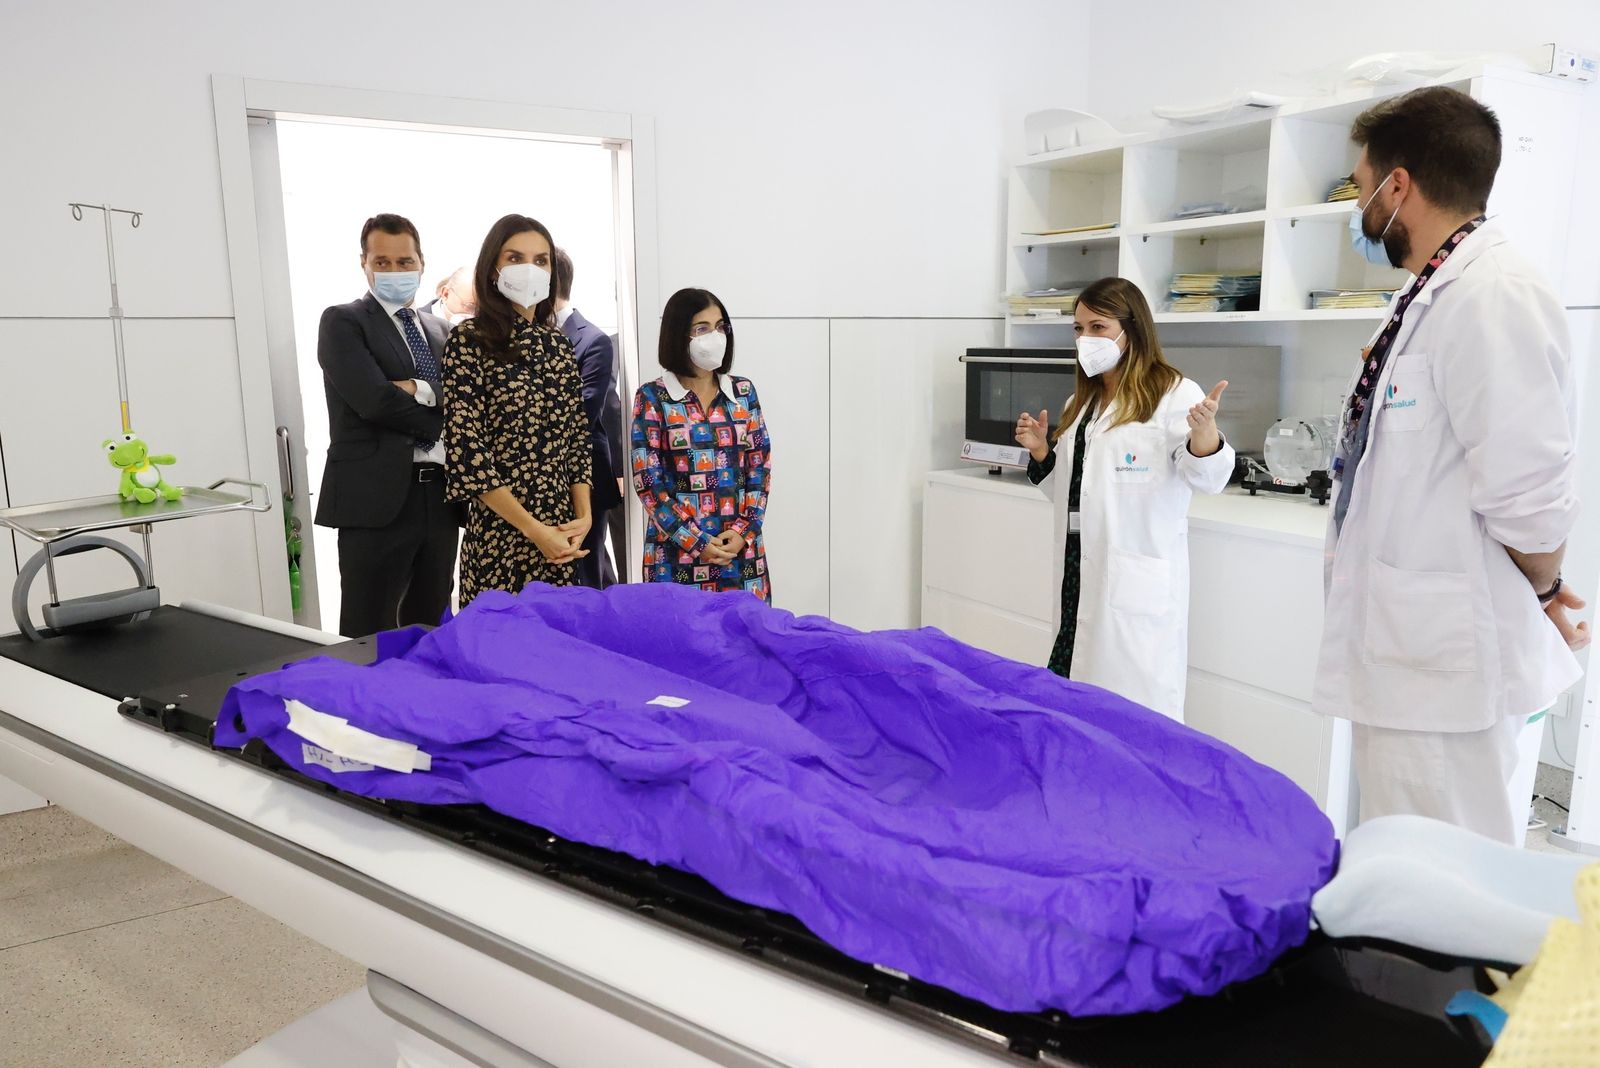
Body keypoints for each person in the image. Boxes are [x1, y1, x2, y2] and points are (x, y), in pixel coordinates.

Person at [1313, 86, 1588, 844]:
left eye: (1363, 189)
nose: (1361, 210)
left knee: (1448, 882)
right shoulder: (1431, 292)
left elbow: (1530, 492)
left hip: (1445, 667)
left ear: (1399, 185)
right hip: (1410, 657)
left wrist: (1544, 584)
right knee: (1406, 869)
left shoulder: (1491, 294)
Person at [1014, 277, 1233, 720]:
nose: (1085, 339)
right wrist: (1041, 452)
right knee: (1071, 705)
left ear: (1131, 330)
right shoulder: (1083, 401)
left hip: (1134, 581)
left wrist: (1205, 435)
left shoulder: (1173, 394)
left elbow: (1208, 478)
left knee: (1132, 719)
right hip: (1079, 571)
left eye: (1097, 327)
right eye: (1078, 329)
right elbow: (1074, 493)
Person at [314, 213, 458, 638]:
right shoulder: (344, 321)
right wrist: (440, 418)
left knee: (429, 621)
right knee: (368, 627)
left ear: (421, 263)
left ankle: (423, 703)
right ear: (365, 263)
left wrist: (417, 388)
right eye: (383, 262)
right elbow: (373, 400)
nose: (394, 271)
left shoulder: (441, 330)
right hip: (374, 498)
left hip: (439, 492)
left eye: (404, 261)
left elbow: (470, 400)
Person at [442, 215, 593, 606]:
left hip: (559, 533)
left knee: (557, 656)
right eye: (515, 257)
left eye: (541, 260)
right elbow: (467, 451)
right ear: (492, 267)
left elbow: (577, 438)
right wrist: (533, 530)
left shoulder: (557, 346)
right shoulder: (469, 341)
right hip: (502, 532)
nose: (530, 268)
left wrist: (584, 515)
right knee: (495, 655)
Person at [631, 289, 772, 602]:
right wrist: (695, 541)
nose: (715, 336)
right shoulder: (653, 398)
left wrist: (742, 531)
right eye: (702, 329)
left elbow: (758, 470)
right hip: (675, 559)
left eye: (721, 327)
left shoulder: (743, 393)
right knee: (677, 646)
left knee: (747, 644)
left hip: (740, 556)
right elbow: (648, 483)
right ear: (678, 335)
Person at [552, 247, 624, 589]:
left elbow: (584, 412)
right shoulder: (524, 338)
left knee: (586, 575)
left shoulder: (591, 339)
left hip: (586, 479)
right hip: (538, 482)